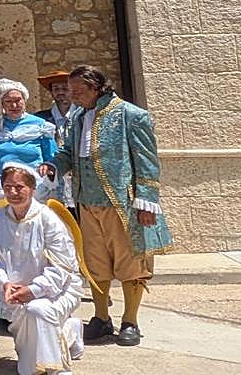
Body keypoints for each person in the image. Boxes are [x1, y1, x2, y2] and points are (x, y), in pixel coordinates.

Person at [46, 65, 172, 347]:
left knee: (131, 263)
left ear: (97, 88)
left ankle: (130, 321)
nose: (74, 97)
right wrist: (54, 164)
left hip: (122, 203)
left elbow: (147, 161)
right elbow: (68, 151)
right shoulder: (79, 117)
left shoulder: (131, 115)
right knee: (94, 263)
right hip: (86, 202)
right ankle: (101, 318)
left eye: (79, 92)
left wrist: (147, 202)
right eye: (72, 91)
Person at [0, 164, 85, 375]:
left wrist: (34, 290)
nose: (13, 192)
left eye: (19, 187)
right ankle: (69, 332)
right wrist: (5, 283)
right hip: (17, 293)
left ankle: (58, 369)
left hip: (60, 289)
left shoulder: (48, 220)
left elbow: (62, 267)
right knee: (26, 366)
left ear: (32, 188)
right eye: (7, 187)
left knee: (38, 309)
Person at [0, 79, 57, 322]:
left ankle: (31, 296)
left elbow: (50, 160)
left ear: (25, 100)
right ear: (0, 103)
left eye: (17, 100)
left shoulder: (40, 126)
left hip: (30, 193)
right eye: (7, 101)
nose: (13, 105)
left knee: (26, 246)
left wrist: (46, 175)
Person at [35, 71, 77, 211]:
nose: (60, 92)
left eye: (64, 89)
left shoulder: (83, 117)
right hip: (52, 180)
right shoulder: (40, 119)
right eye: (56, 89)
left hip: (78, 179)